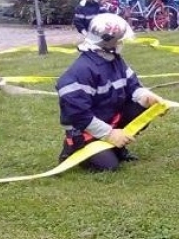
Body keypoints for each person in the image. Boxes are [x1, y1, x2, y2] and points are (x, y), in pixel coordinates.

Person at [56, 13, 164, 171]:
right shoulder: (82, 72)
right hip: (84, 131)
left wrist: (148, 98)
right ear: (108, 41)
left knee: (144, 109)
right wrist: (109, 134)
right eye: (119, 39)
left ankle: (115, 147)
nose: (121, 42)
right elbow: (79, 116)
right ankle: (73, 149)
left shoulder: (114, 60)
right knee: (109, 166)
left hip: (109, 120)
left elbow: (133, 86)